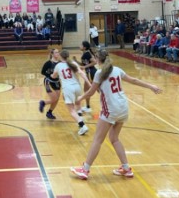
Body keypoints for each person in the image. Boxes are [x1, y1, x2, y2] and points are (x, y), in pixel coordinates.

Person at [71, 49, 162, 180]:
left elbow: (91, 92)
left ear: (97, 59)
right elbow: (134, 80)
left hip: (111, 108)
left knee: (98, 139)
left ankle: (85, 169)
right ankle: (126, 168)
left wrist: (80, 98)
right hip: (123, 107)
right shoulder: (117, 69)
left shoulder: (99, 73)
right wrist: (151, 86)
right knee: (114, 138)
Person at [51, 50, 91, 136]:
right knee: (78, 104)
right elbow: (81, 73)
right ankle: (80, 119)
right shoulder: (73, 63)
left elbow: (54, 76)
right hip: (77, 87)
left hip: (68, 88)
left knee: (72, 110)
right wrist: (89, 83)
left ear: (61, 57)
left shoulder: (58, 65)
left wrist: (50, 75)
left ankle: (83, 126)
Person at [74, 41, 97, 113]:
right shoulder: (85, 53)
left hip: (91, 73)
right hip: (89, 73)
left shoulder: (87, 53)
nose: (79, 46)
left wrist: (85, 66)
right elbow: (83, 64)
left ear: (84, 47)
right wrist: (76, 61)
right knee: (87, 90)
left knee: (88, 90)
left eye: (81, 45)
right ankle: (88, 107)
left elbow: (94, 62)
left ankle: (88, 107)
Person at [38, 49, 61, 120]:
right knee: (54, 98)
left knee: (57, 99)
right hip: (48, 81)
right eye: (56, 52)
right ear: (52, 54)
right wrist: (50, 74)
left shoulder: (60, 63)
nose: (58, 53)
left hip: (57, 82)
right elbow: (42, 72)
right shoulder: (48, 63)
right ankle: (43, 103)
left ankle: (49, 112)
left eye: (58, 52)